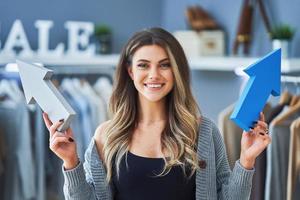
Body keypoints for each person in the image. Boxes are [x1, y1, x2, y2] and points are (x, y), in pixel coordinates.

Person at [42, 27, 271, 200]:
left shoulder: (203, 131)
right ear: (130, 71)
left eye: (164, 65)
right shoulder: (106, 135)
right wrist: (70, 161)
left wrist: (247, 160)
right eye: (143, 65)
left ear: (176, 70)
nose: (154, 74)